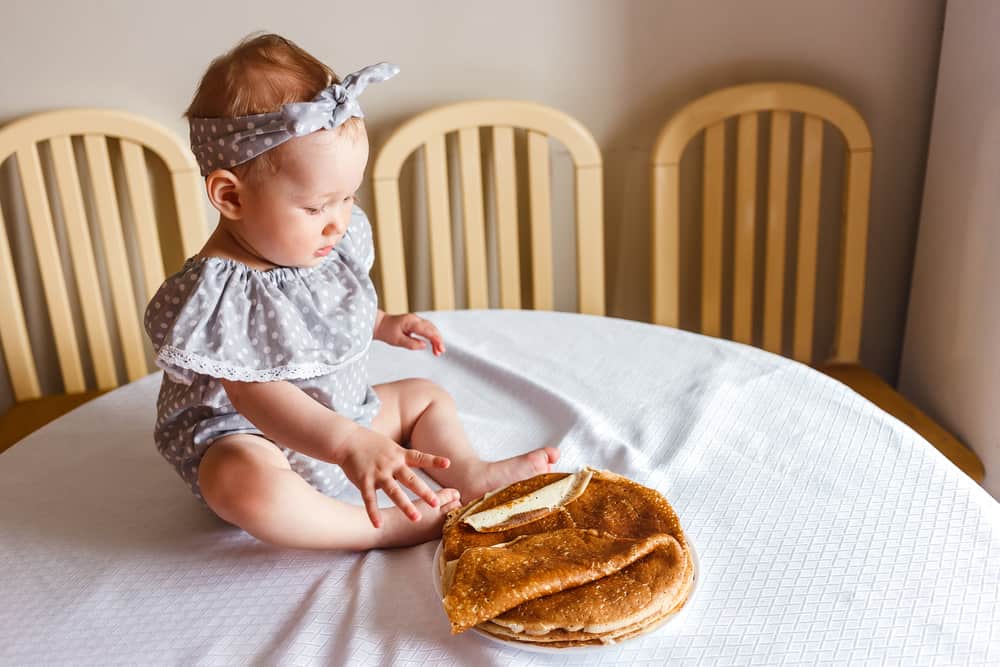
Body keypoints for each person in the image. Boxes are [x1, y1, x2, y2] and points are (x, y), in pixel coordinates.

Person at [144, 33, 558, 550]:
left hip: (343, 414)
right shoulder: (219, 294)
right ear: (230, 196)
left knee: (425, 397)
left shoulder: (316, 246)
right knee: (243, 485)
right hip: (251, 434)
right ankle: (371, 529)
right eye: (317, 206)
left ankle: (470, 474)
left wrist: (382, 323)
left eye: (348, 196)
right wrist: (346, 443)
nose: (337, 222)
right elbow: (258, 396)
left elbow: (323, 311)